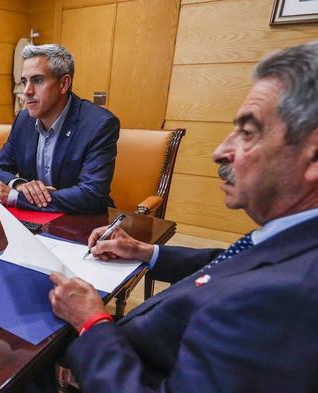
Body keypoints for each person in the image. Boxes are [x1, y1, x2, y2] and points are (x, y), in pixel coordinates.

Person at [45, 41, 318, 392]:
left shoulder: (284, 299)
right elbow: (230, 265)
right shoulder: (294, 241)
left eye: (247, 133)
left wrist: (92, 324)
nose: (220, 151)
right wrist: (147, 252)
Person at [0, 44, 119, 214]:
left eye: (37, 80)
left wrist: (16, 197)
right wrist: (20, 185)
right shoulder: (23, 120)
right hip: (34, 219)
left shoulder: (99, 124)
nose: (26, 91)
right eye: (24, 81)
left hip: (83, 223)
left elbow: (92, 194)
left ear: (64, 84)